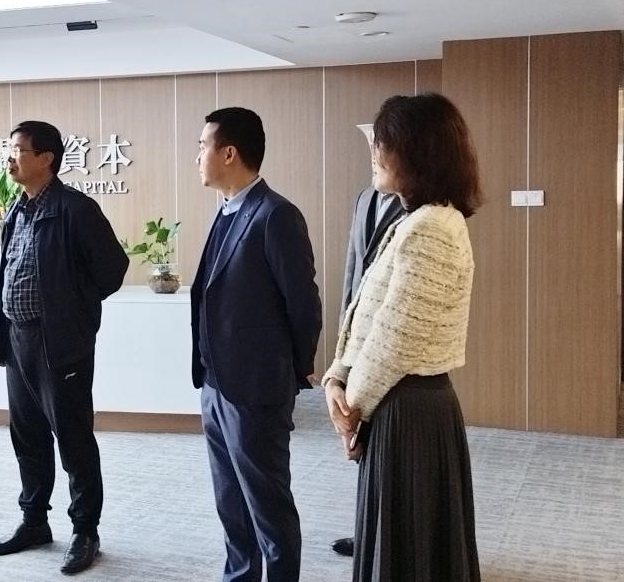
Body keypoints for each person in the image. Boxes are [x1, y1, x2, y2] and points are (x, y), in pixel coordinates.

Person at [322, 93, 482, 581]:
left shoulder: (430, 228)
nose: (374, 153)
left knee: (407, 550)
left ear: (418, 152)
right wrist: (337, 377)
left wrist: (351, 412)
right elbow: (368, 317)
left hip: (407, 409)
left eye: (383, 143)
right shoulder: (416, 219)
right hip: (397, 402)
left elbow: (395, 340)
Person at [0, 120, 128, 575]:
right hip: (17, 339)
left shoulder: (75, 209)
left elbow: (112, 270)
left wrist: (72, 311)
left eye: (18, 150)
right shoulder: (17, 209)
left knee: (73, 438)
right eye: (9, 149)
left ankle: (85, 530)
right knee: (27, 436)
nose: (9, 158)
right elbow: (9, 270)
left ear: (46, 158)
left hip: (59, 343)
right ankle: (34, 522)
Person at [191, 106, 322, 581]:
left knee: (268, 506)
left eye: (202, 146)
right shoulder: (225, 209)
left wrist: (293, 373)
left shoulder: (276, 215)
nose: (197, 156)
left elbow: (303, 304)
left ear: (229, 153)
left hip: (257, 389)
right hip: (215, 385)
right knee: (230, 501)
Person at [330, 177, 406, 559]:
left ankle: (390, 537)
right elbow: (353, 267)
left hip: (395, 343)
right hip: (359, 337)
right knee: (361, 440)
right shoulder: (364, 198)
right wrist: (343, 336)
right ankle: (367, 531)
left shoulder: (419, 202)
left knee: (388, 447)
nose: (374, 154)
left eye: (379, 148)